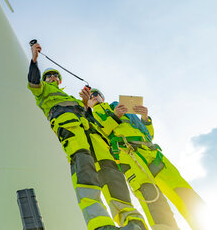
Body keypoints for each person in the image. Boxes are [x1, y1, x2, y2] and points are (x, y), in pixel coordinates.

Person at [27, 43, 146, 230]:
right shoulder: (43, 92)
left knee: (112, 174)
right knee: (85, 172)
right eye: (49, 75)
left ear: (59, 80)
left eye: (55, 76)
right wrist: (34, 60)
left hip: (93, 136)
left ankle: (133, 222)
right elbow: (33, 82)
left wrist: (85, 104)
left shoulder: (74, 99)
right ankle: (101, 224)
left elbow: (87, 116)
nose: (52, 77)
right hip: (72, 133)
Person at [85, 88, 205, 230]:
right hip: (128, 155)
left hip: (152, 152)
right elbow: (100, 136)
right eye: (91, 96)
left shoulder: (119, 107)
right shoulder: (89, 117)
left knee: (183, 190)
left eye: (96, 94)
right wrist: (115, 117)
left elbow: (148, 135)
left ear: (102, 97)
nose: (94, 96)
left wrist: (145, 119)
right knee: (151, 196)